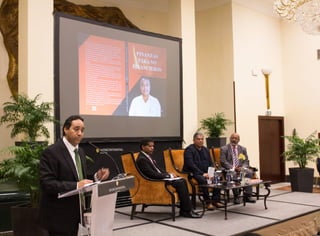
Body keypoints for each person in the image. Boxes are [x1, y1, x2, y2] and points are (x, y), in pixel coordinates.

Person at [39, 115, 110, 236]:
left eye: (82, 130)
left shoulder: (80, 151)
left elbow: (79, 176)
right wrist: (76, 185)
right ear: (65, 129)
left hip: (76, 211)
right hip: (58, 214)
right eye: (76, 129)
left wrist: (96, 177)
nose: (80, 133)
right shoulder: (52, 152)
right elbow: (47, 183)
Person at [135, 138, 201, 218]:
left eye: (153, 146)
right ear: (143, 147)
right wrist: (168, 176)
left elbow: (158, 170)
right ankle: (187, 211)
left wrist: (169, 174)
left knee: (182, 180)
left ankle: (186, 210)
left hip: (161, 178)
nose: (152, 148)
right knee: (180, 182)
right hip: (155, 182)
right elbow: (152, 175)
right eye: (150, 146)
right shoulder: (142, 159)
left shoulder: (147, 157)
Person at [183, 132, 223, 210]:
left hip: (205, 172)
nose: (200, 141)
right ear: (194, 140)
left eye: (202, 139)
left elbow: (210, 163)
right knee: (203, 180)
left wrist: (211, 172)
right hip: (194, 173)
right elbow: (191, 165)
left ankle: (216, 200)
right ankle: (207, 202)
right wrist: (202, 174)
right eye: (198, 139)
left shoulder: (205, 149)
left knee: (217, 177)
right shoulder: (189, 150)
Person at [220, 132, 256, 204]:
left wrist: (242, 168)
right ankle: (236, 196)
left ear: (238, 140)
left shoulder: (243, 149)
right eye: (232, 138)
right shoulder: (224, 149)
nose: (234, 140)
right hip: (230, 169)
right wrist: (234, 168)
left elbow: (246, 161)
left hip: (240, 169)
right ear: (230, 139)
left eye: (235, 138)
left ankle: (248, 196)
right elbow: (223, 162)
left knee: (249, 172)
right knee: (233, 173)